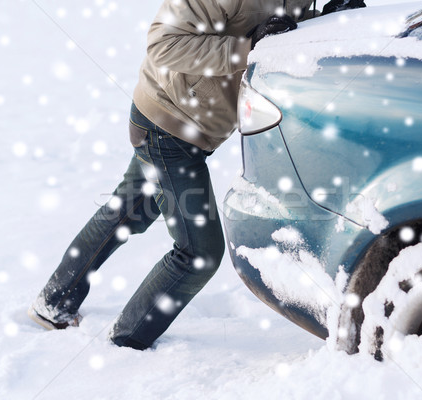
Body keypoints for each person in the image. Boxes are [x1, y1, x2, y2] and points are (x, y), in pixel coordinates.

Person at [28, 0, 355, 350]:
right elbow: (163, 44)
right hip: (166, 124)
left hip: (191, 125)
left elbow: (281, 29)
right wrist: (247, 49)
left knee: (130, 210)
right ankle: (126, 343)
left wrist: (329, 19)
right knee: (198, 254)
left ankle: (55, 302)